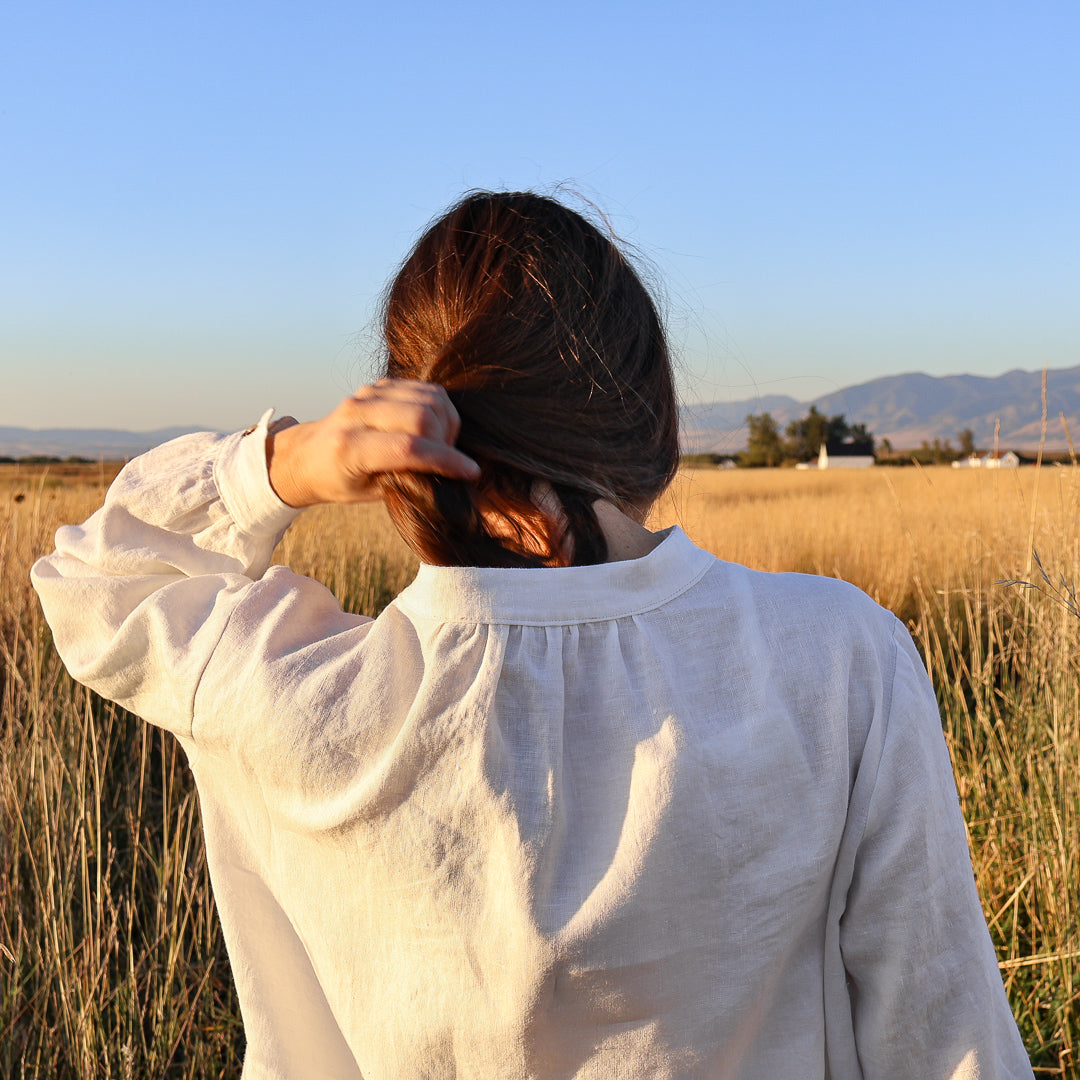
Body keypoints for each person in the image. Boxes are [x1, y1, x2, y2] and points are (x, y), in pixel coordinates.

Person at [32, 192, 1032, 1079]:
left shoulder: (289, 694)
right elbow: (942, 1036)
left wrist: (287, 465)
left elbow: (92, 577)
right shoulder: (837, 659)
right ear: (657, 423)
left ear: (399, 438)